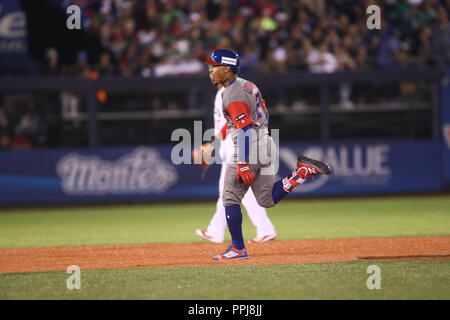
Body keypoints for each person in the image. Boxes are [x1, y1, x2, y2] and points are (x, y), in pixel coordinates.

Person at [203, 49, 331, 260]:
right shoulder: (249, 85)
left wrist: (243, 162)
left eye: (214, 66)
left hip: (249, 145)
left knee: (229, 197)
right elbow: (264, 114)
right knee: (267, 198)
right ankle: (301, 174)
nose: (211, 70)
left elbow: (243, 130)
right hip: (266, 141)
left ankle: (238, 248)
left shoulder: (231, 93)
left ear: (227, 68)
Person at [195, 73, 277, 244]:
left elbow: (231, 121)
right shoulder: (229, 92)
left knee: (234, 192)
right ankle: (215, 231)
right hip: (231, 145)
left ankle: (265, 229)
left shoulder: (230, 92)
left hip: (236, 145)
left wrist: (212, 144)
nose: (211, 74)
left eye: (214, 69)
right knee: (227, 192)